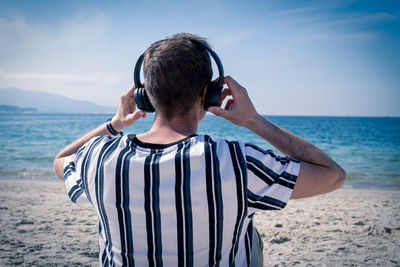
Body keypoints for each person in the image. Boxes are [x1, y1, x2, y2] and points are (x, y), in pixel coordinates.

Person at [53, 33, 346, 267]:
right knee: (249, 232)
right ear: (209, 95)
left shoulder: (100, 157)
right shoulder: (237, 162)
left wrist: (116, 123)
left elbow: (62, 160)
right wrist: (253, 120)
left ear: (145, 95)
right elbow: (333, 175)